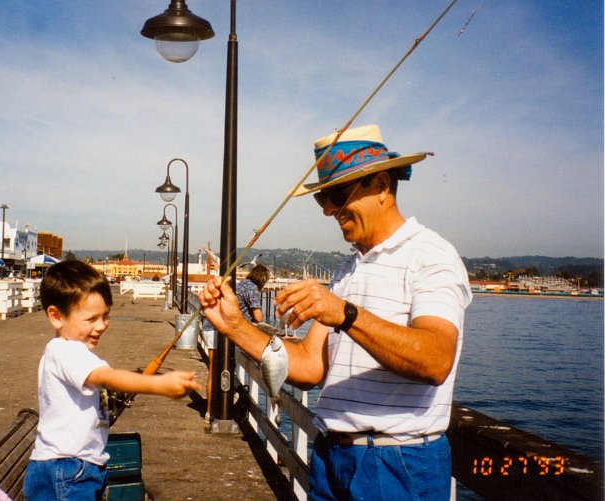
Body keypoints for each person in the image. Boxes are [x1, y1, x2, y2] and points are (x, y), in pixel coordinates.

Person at [199, 124, 472, 500]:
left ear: (381, 186)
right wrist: (233, 325)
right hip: (332, 457)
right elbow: (311, 367)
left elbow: (436, 359)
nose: (328, 210)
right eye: (322, 198)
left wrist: (345, 314)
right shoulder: (349, 269)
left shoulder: (432, 256)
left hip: (397, 462)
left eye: (338, 195)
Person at [24, 260, 201, 501]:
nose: (101, 326)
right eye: (91, 319)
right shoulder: (67, 353)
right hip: (71, 469)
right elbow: (107, 377)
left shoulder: (63, 352)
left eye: (106, 316)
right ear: (56, 316)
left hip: (64, 464)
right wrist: (159, 386)